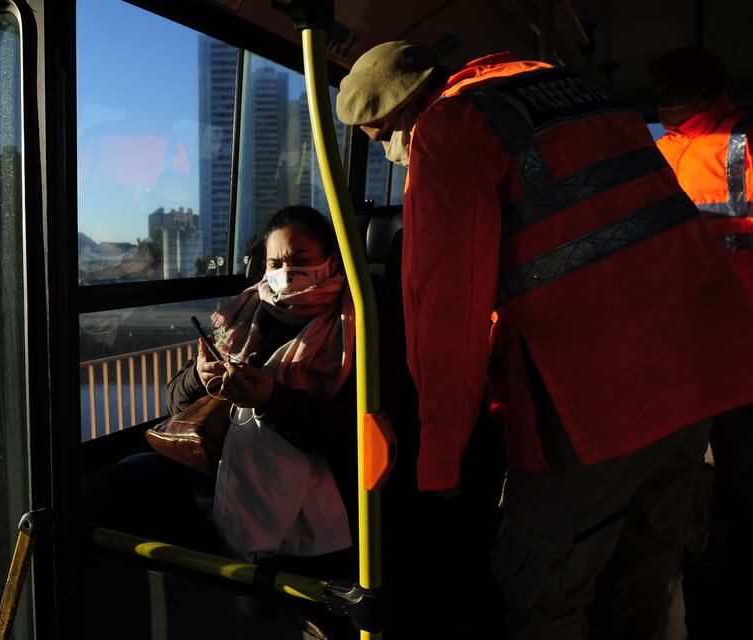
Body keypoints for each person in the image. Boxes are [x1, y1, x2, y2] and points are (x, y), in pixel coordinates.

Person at [337, 41, 753, 639]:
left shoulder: (450, 127)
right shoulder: (571, 89)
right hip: (696, 373)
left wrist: (441, 455)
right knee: (653, 573)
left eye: (382, 139)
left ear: (404, 111)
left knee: (541, 589)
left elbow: (444, 313)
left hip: (599, 395)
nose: (392, 156)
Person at [109, 205, 357, 563]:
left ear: (331, 263)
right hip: (216, 471)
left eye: (299, 259)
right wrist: (198, 376)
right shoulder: (243, 316)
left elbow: (350, 435)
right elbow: (175, 403)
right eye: (275, 264)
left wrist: (271, 400)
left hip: (299, 495)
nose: (286, 272)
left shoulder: (352, 328)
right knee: (128, 476)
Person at [648, 45, 753, 620]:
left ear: (710, 88)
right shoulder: (658, 152)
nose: (665, 103)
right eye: (661, 91)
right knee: (675, 470)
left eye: (677, 90)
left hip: (740, 341)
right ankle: (679, 575)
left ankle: (735, 589)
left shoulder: (746, 142)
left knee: (742, 470)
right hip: (677, 343)